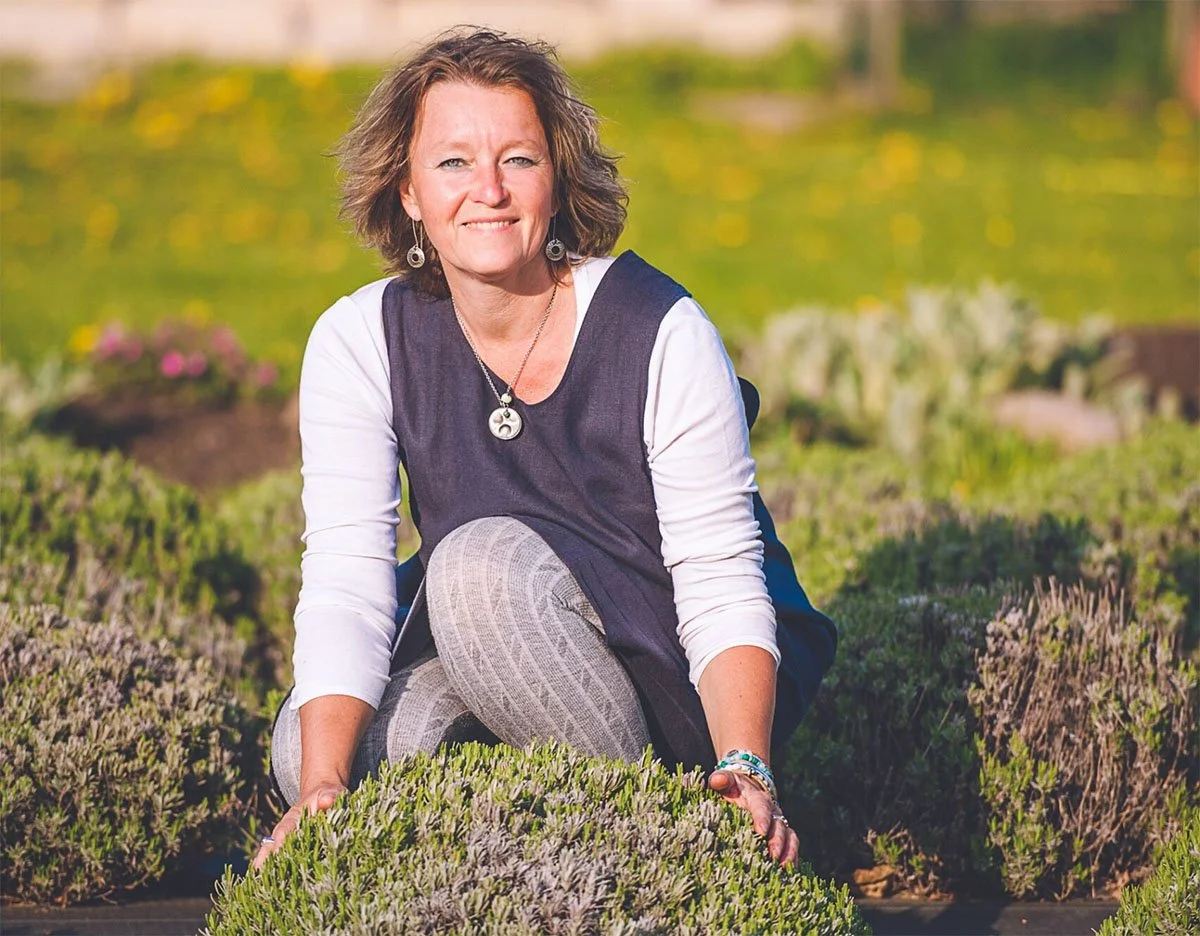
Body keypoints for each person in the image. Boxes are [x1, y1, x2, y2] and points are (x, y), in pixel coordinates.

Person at [254, 28, 836, 873]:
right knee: (316, 746)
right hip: (511, 641)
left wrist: (745, 763)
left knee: (475, 572)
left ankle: (669, 842)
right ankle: (525, 858)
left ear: (557, 182)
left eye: (518, 160)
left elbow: (719, 574)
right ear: (408, 190)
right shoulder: (357, 338)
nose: (486, 190)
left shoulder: (661, 329)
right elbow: (347, 572)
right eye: (452, 162)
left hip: (669, 662)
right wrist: (318, 790)